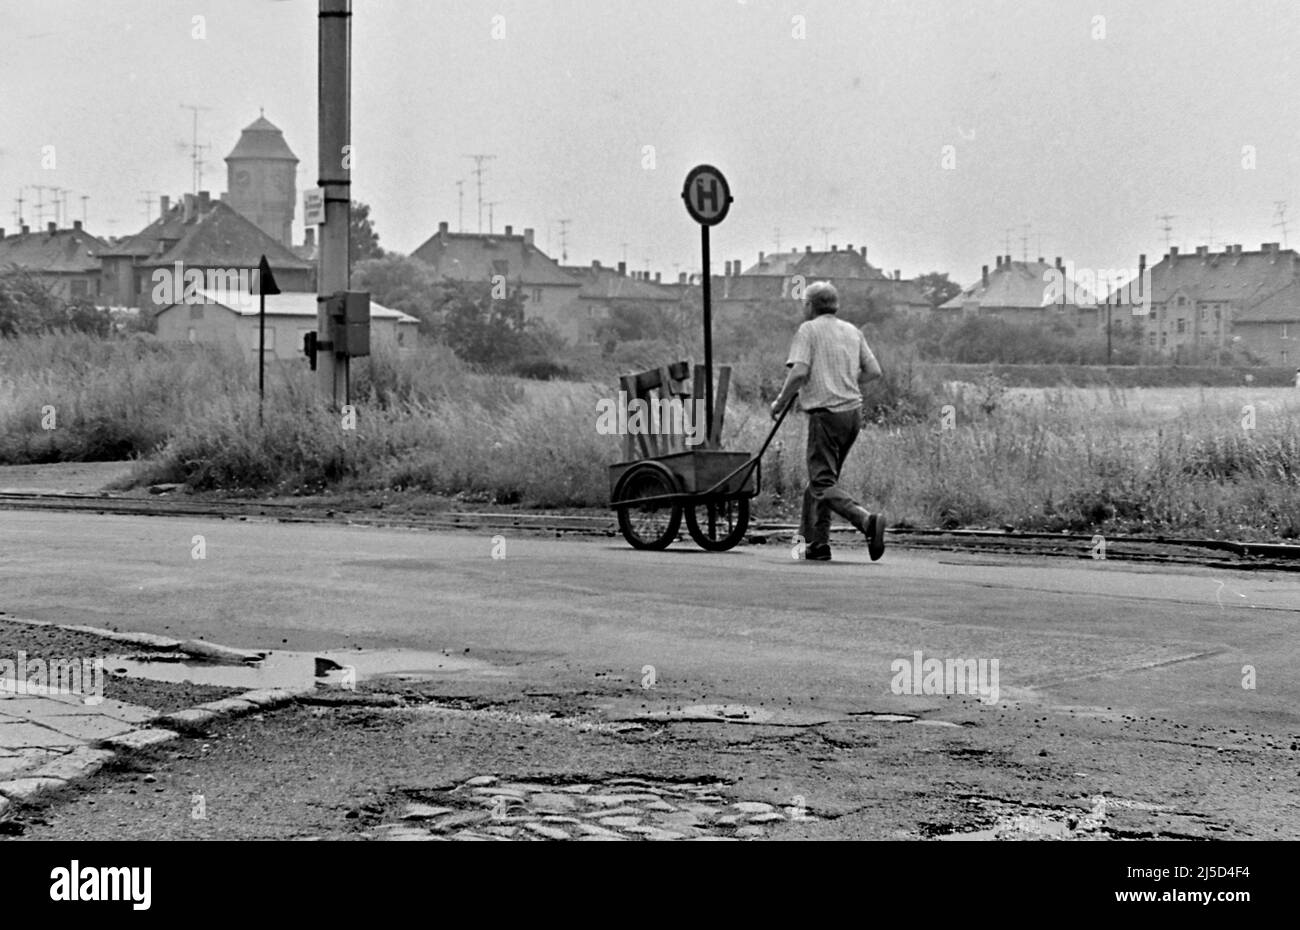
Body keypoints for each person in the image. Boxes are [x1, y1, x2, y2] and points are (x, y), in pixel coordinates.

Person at [769, 281, 885, 562]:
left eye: (804, 303)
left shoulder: (808, 330)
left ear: (809, 305)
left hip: (826, 415)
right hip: (852, 415)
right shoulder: (852, 331)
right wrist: (843, 379)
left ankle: (866, 521)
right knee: (822, 482)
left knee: (821, 483)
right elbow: (873, 371)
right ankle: (817, 545)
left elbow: (798, 372)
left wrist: (780, 401)